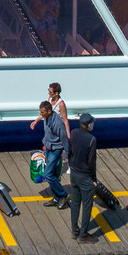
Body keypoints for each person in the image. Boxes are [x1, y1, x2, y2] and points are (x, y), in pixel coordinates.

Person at [67, 112, 99, 242]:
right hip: (85, 176)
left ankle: (74, 230)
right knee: (87, 205)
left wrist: (71, 165)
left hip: (74, 173)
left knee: (75, 202)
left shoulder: (74, 133)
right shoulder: (91, 140)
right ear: (88, 125)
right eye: (92, 123)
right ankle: (83, 235)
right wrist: (93, 179)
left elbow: (69, 151)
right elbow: (92, 162)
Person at [32, 100, 69, 208]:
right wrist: (45, 143)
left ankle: (63, 195)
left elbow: (65, 140)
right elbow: (48, 132)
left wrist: (67, 157)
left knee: (48, 174)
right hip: (48, 147)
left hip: (55, 150)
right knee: (52, 174)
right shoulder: (46, 117)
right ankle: (56, 198)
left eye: (42, 112)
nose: (41, 114)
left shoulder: (57, 123)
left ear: (49, 111)